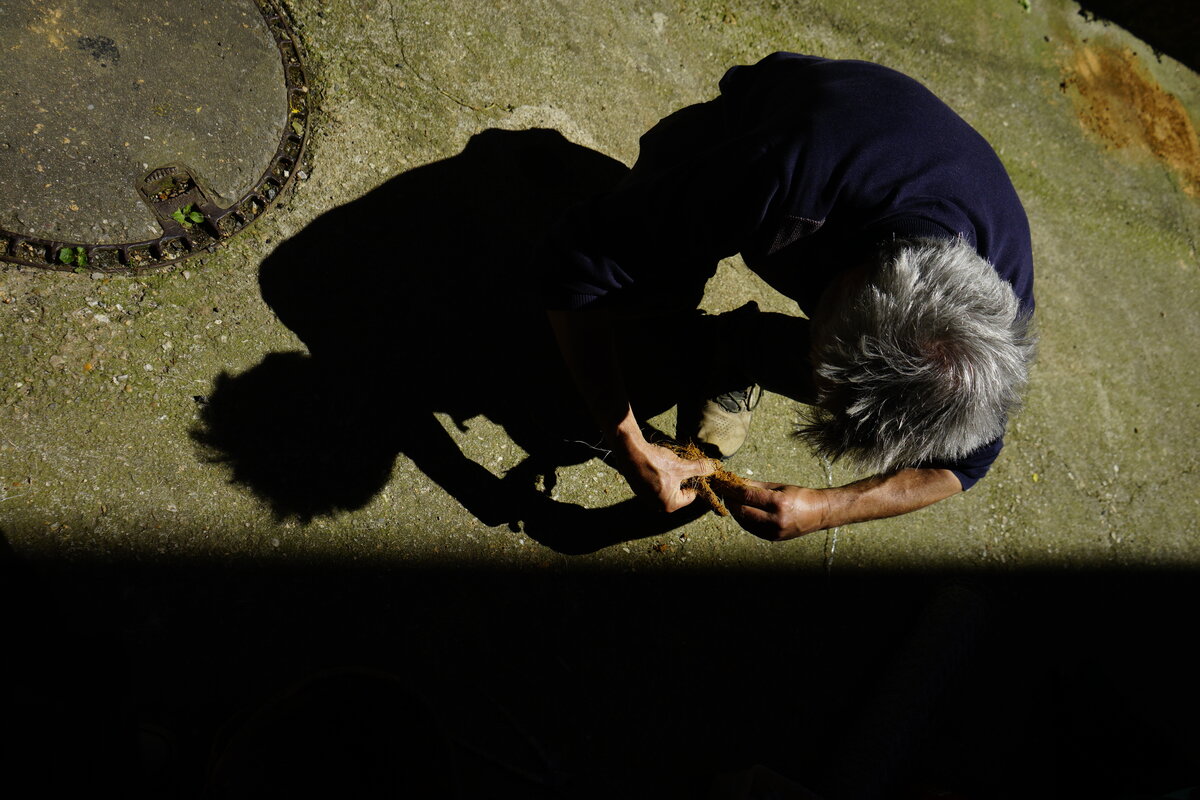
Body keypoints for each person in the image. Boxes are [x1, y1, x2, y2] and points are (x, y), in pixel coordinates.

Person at [537, 52, 1035, 541]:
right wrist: (628, 444)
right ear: (838, 284)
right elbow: (574, 262)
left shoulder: (988, 337)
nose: (812, 388)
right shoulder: (778, 173)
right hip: (760, 125)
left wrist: (825, 508)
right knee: (638, 296)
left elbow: (966, 466)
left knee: (875, 395)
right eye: (816, 362)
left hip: (857, 199)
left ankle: (734, 348)